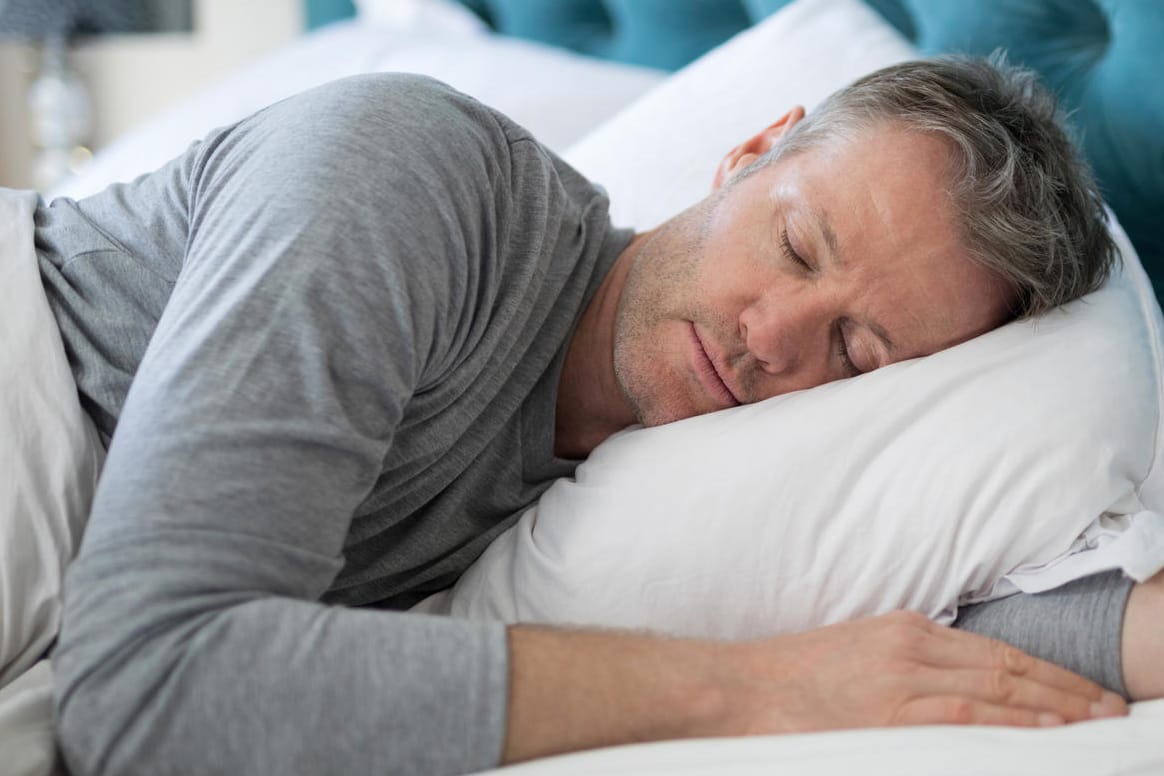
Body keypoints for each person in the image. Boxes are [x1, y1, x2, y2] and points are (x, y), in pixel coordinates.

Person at [41, 57, 1159, 775]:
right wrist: (757, 691)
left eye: (858, 353)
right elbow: (144, 686)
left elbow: (933, 648)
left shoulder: (673, 512)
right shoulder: (411, 177)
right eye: (794, 244)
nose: (774, 335)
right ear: (752, 150)